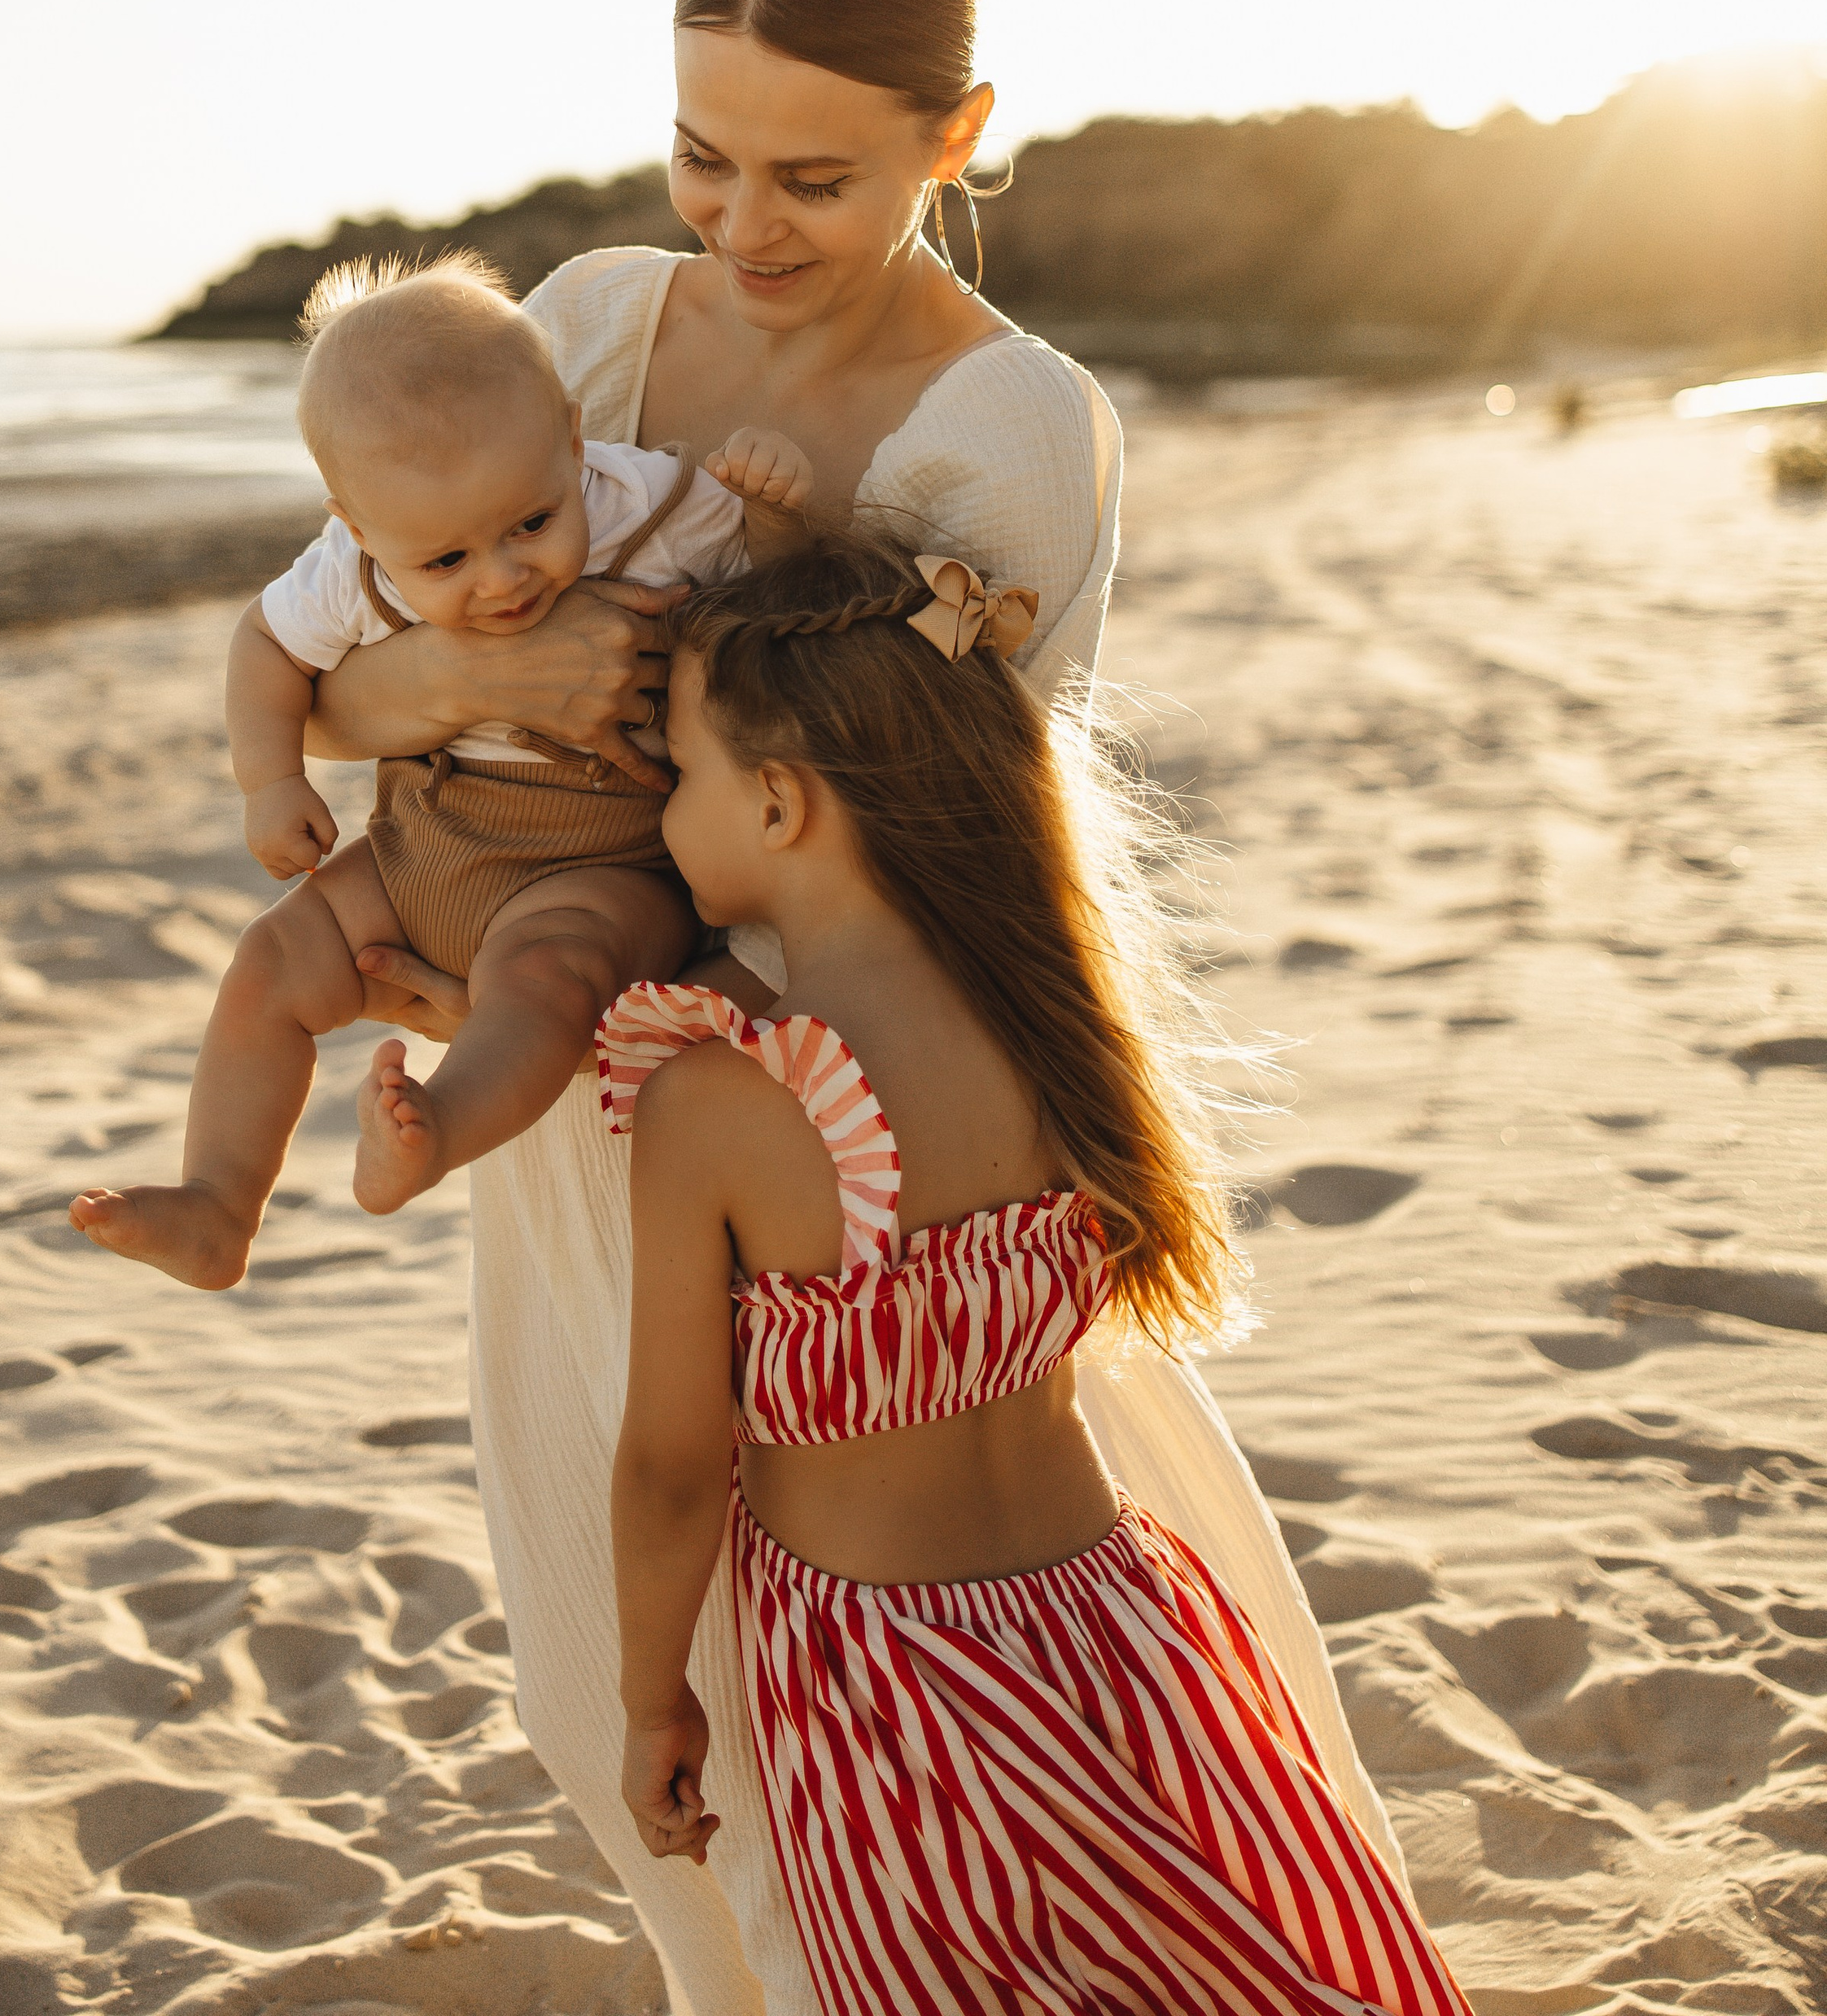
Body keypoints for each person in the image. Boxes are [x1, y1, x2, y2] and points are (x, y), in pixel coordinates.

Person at [310, 0, 1405, 2014]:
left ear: (956, 135)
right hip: (572, 1111)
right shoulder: (602, 320)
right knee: (604, 1694)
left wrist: (533, 886)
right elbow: (354, 664)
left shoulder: (1007, 430)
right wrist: (478, 782)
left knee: (832, 1715)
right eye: (701, 157)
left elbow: (904, 859)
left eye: (813, 174)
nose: (744, 227)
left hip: (817, 1159)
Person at [605, 534, 1470, 2016]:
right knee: (1219, 1965)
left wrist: (645, 1700)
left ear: (777, 802)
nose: (664, 812)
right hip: (1120, 1623)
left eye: (677, 773)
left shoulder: (721, 1104)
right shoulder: (1052, 1022)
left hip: (889, 1685)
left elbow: (677, 1468)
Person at [68, 254, 811, 1288]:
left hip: (608, 863)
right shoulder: (359, 562)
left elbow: (781, 605)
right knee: (268, 966)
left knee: (545, 981)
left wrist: (775, 515)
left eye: (532, 525)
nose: (504, 578)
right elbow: (265, 647)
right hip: (427, 842)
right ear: (355, 520)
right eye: (448, 564)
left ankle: (440, 1124)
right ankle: (220, 1205)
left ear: (568, 430)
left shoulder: (656, 507)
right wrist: (269, 782)